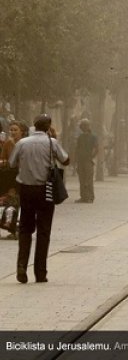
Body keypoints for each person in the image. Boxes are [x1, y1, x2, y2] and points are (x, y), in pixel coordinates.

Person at [9, 114, 69, 283]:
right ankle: (40, 272)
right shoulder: (52, 143)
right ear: (48, 126)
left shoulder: (22, 143)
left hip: (26, 190)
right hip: (46, 191)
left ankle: (21, 266)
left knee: (25, 230)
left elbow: (12, 163)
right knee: (43, 231)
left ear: (34, 125)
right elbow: (66, 160)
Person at [75, 119, 98, 203]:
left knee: (88, 180)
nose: (82, 127)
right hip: (82, 161)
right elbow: (77, 149)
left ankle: (90, 197)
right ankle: (83, 197)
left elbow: (96, 148)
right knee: (82, 179)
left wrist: (91, 157)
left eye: (84, 125)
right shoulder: (80, 137)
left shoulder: (93, 137)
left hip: (88, 161)